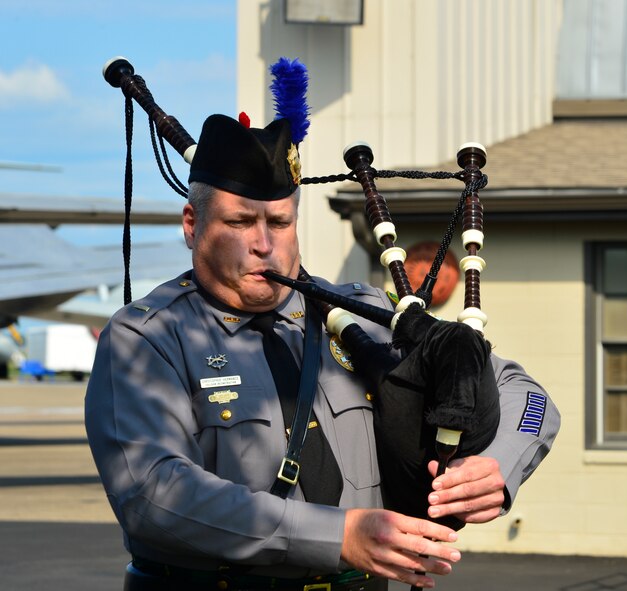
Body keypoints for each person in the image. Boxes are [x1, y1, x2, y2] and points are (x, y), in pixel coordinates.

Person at [84, 113, 559, 590]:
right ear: (192, 225)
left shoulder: (369, 314)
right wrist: (338, 536)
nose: (264, 245)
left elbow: (527, 395)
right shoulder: (147, 337)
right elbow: (153, 494)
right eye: (239, 222)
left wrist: (497, 466)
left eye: (280, 222)